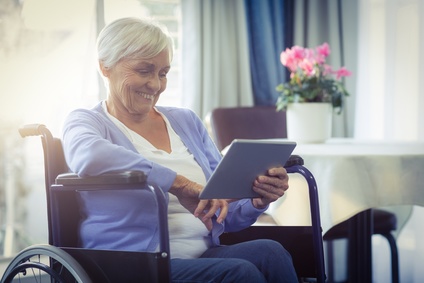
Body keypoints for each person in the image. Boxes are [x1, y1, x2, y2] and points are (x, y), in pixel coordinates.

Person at [62, 17, 298, 283]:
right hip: (133, 266)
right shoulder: (86, 121)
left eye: (162, 73)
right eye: (144, 70)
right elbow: (90, 156)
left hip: (201, 257)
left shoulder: (185, 121)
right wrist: (179, 184)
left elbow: (223, 213)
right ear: (105, 66)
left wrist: (256, 200)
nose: (155, 85)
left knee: (271, 252)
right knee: (239, 273)